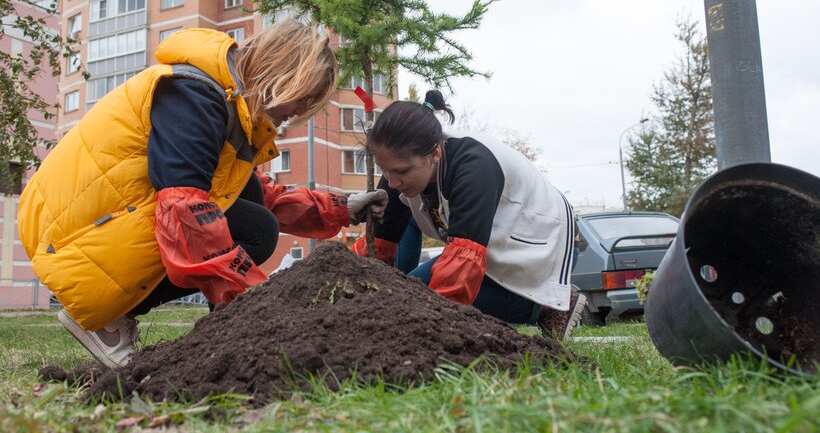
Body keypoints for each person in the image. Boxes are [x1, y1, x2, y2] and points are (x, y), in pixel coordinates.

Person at [17, 20, 387, 369]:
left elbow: (259, 195)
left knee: (253, 200)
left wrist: (342, 210)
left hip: (91, 225)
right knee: (256, 228)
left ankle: (218, 332)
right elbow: (185, 209)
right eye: (300, 100)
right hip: (69, 237)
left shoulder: (227, 103)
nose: (295, 113)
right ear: (283, 77)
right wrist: (258, 306)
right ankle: (107, 318)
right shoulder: (197, 95)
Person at [351, 90, 586, 339]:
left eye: (401, 172)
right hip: (489, 238)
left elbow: (462, 264)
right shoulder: (397, 169)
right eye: (384, 171)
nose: (392, 180)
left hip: (544, 243)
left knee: (421, 298)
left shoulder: (474, 165)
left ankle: (543, 306)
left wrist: (430, 324)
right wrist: (368, 296)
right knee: (404, 293)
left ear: (435, 154)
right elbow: (378, 246)